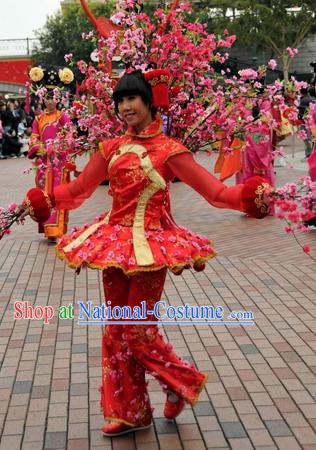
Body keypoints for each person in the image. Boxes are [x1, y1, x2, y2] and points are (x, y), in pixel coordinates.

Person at [19, 70, 269, 437]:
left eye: (132, 99)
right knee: (115, 331)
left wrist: (249, 197)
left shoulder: (170, 151)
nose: (125, 107)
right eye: (119, 101)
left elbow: (215, 193)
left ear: (150, 102)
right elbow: (79, 190)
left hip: (151, 248)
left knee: (138, 332)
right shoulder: (111, 148)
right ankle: (130, 412)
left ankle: (182, 381)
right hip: (113, 245)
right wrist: (42, 201)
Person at [27, 65, 75, 240]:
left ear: (58, 98)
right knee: (44, 196)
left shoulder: (62, 116)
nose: (50, 101)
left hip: (59, 164)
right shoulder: (38, 119)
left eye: (53, 97)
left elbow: (69, 136)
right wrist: (40, 148)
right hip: (43, 164)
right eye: (47, 97)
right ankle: (48, 230)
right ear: (42, 98)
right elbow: (33, 137)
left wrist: (54, 148)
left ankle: (56, 230)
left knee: (57, 195)